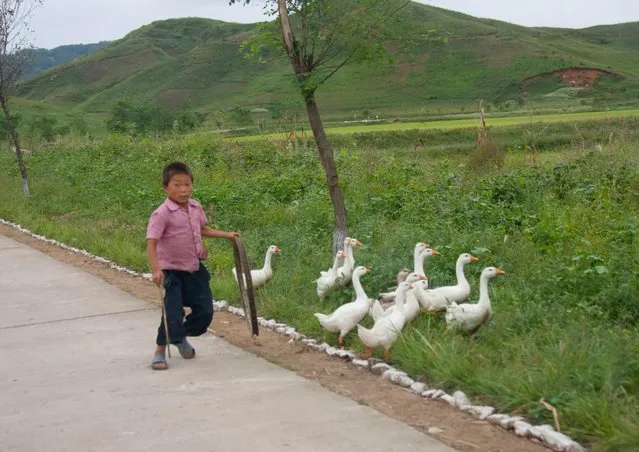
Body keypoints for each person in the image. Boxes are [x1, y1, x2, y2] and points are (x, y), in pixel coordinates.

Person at [146, 161, 238, 370]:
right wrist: (156, 269)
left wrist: (226, 235)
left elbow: (202, 229)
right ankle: (160, 351)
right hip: (170, 270)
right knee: (172, 311)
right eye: (177, 185)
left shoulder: (195, 207)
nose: (183, 189)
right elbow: (151, 243)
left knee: (205, 312)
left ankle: (179, 336)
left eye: (187, 184)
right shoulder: (161, 214)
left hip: (194, 268)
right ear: (165, 187)